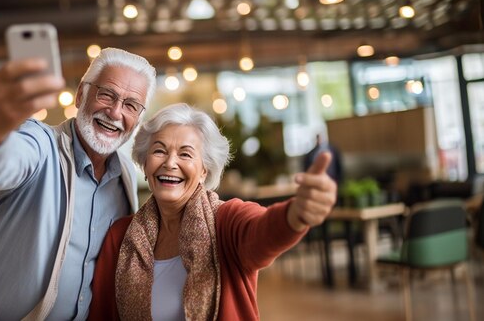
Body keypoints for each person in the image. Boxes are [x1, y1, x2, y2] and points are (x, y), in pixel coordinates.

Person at [0, 47, 157, 320]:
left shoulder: (125, 174)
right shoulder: (40, 142)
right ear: (80, 95)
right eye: (106, 94)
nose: (115, 112)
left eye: (131, 105)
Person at [88, 103, 337, 320]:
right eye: (159, 150)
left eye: (185, 154)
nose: (170, 163)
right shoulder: (120, 237)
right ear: (144, 163)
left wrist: (296, 214)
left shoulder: (227, 221)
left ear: (204, 170)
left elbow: (261, 232)